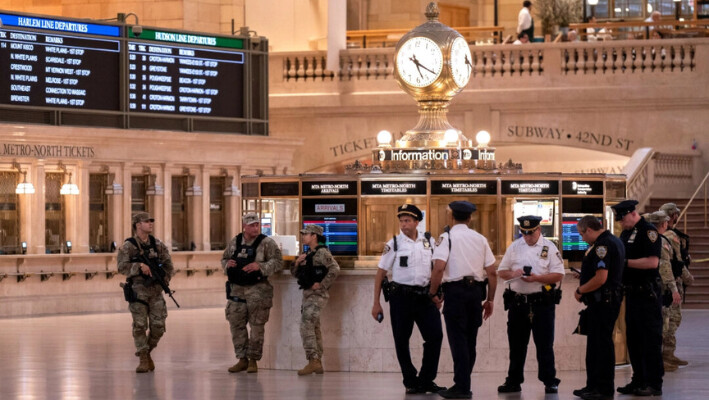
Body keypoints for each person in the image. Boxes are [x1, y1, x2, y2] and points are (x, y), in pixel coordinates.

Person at [371, 204, 445, 394]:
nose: (403, 225)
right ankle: (410, 381)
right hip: (401, 298)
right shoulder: (394, 243)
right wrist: (376, 302)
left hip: (424, 297)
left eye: (407, 221)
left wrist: (436, 294)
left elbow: (436, 268)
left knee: (435, 336)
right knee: (401, 340)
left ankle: (426, 379)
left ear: (416, 222)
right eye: (401, 221)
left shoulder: (428, 241)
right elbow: (380, 273)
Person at [430, 201, 497, 399]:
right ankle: (463, 383)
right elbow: (492, 273)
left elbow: (439, 267)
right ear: (469, 218)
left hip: (456, 293)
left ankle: (462, 387)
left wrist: (433, 292)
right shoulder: (480, 239)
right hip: (476, 293)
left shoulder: (446, 237)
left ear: (452, 217)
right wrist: (490, 300)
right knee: (470, 341)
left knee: (458, 340)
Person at [497, 215, 564, 394]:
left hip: (541, 304)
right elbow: (501, 271)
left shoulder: (549, 248)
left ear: (539, 230)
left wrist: (537, 278)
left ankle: (550, 381)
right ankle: (513, 380)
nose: (527, 237)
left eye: (531, 233)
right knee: (517, 345)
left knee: (544, 345)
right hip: (518, 304)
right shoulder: (514, 247)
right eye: (524, 233)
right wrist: (514, 274)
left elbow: (558, 275)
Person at [611, 200, 664, 396]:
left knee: (650, 340)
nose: (620, 223)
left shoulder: (648, 231)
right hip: (632, 293)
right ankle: (638, 379)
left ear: (633, 213)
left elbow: (652, 262)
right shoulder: (626, 232)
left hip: (647, 294)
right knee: (633, 340)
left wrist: (624, 263)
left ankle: (654, 383)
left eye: (622, 218)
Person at [221, 212, 283, 373]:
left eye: (257, 224)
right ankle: (242, 358)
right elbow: (224, 259)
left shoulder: (267, 243)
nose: (255, 227)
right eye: (252, 225)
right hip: (237, 291)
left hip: (258, 291)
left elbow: (278, 262)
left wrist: (260, 267)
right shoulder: (235, 242)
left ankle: (253, 360)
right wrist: (228, 264)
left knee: (257, 327)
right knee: (236, 324)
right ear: (244, 226)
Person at [573, 216, 625, 400]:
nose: (581, 238)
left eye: (581, 234)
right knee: (595, 345)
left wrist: (581, 289)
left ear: (588, 230)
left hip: (603, 302)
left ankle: (602, 389)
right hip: (602, 301)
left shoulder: (603, 246)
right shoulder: (613, 241)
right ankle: (593, 386)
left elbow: (601, 278)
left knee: (601, 346)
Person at [117, 212, 175, 373]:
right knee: (140, 325)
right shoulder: (128, 246)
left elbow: (169, 265)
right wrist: (139, 267)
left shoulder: (157, 245)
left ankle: (147, 352)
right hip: (138, 291)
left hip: (156, 291)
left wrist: (165, 279)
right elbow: (121, 267)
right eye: (146, 221)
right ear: (137, 225)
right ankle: (143, 357)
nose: (150, 223)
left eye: (151, 221)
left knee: (158, 326)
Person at [291, 224, 340, 375]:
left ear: (314, 236)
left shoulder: (322, 253)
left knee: (306, 325)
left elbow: (335, 269)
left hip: (317, 296)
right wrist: (298, 262)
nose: (303, 236)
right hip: (307, 295)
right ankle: (317, 362)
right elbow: (295, 274)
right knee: (314, 327)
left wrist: (322, 285)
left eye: (306, 234)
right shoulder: (308, 254)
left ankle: (313, 360)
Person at [656, 205, 694, 369]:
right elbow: (676, 261)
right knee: (668, 320)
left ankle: (669, 354)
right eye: (676, 214)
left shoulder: (668, 234)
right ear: (672, 215)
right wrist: (687, 279)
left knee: (673, 320)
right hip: (669, 282)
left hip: (670, 281)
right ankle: (663, 357)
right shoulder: (670, 236)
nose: (678, 216)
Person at [644, 211, 681, 372]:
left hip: (656, 287)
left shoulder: (655, 239)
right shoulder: (658, 241)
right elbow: (665, 267)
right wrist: (673, 289)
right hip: (660, 288)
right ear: (663, 223)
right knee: (662, 326)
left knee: (663, 325)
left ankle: (662, 359)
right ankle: (659, 361)